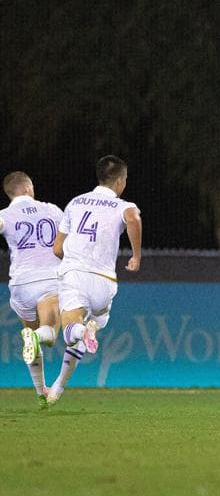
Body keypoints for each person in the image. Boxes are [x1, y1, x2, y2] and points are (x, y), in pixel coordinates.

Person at [47, 155, 142, 406]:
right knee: (94, 322)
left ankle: (81, 330)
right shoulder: (123, 205)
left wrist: (71, 260)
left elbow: (57, 249)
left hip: (76, 274)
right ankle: (57, 387)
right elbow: (133, 219)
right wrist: (136, 256)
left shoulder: (75, 203)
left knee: (70, 331)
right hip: (105, 281)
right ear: (119, 182)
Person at [1, 172, 64, 408]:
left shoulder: (5, 215)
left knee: (31, 341)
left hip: (20, 284)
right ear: (28, 187)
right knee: (48, 334)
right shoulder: (52, 210)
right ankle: (36, 335)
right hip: (48, 279)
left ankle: (41, 392)